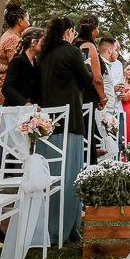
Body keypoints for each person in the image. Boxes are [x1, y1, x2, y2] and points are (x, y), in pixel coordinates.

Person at [37, 15, 93, 244]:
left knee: (48, 177)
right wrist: (87, 67)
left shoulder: (42, 55)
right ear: (68, 32)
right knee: (70, 175)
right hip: (70, 123)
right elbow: (87, 81)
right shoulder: (72, 52)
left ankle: (45, 227)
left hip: (46, 127)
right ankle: (66, 228)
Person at [73, 15, 107, 162]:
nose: (98, 32)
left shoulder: (74, 44)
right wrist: (103, 97)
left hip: (77, 95)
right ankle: (89, 164)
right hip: (87, 97)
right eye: (97, 28)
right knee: (87, 133)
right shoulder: (88, 46)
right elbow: (96, 78)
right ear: (93, 30)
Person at [0, 0, 30, 107]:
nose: (29, 24)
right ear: (20, 21)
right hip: (2, 89)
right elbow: (15, 66)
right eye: (27, 20)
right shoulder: (13, 39)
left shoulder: (5, 36)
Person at [2, 27, 43, 106]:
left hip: (30, 110)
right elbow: (7, 88)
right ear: (33, 42)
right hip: (14, 109)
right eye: (43, 41)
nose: (45, 44)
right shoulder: (17, 61)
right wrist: (25, 103)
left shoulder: (36, 64)